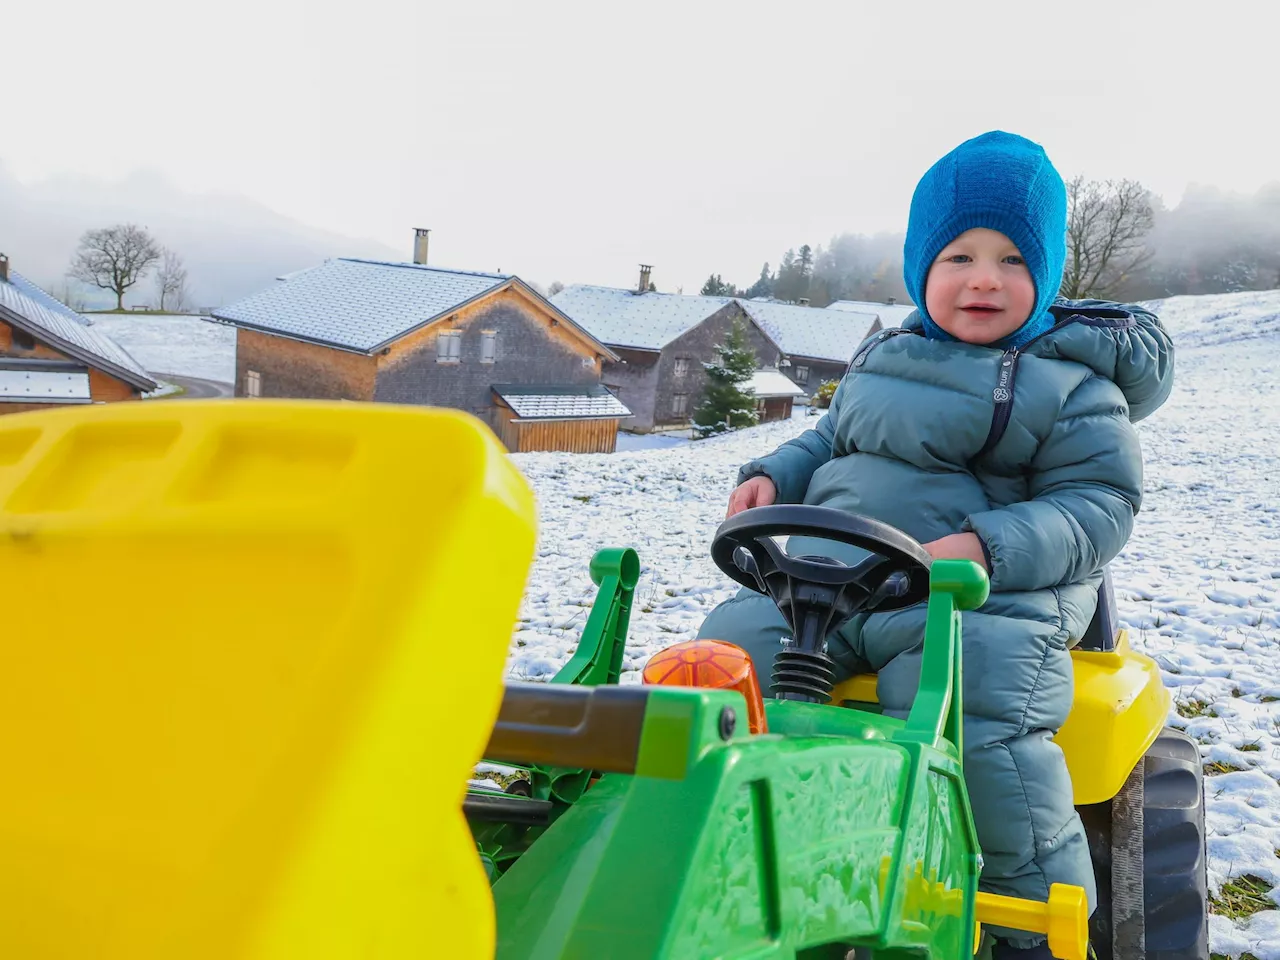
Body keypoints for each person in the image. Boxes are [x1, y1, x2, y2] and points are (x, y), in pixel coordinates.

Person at [693, 131, 1174, 959]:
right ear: (923, 269)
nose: (984, 277)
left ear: (1049, 275)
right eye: (958, 255)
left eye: (1013, 259)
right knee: (716, 672)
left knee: (977, 727)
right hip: (832, 580)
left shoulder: (1075, 385)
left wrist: (987, 548)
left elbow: (1100, 504)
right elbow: (832, 440)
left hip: (982, 599)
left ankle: (1032, 925)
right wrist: (776, 471)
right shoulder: (884, 356)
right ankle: (715, 867)